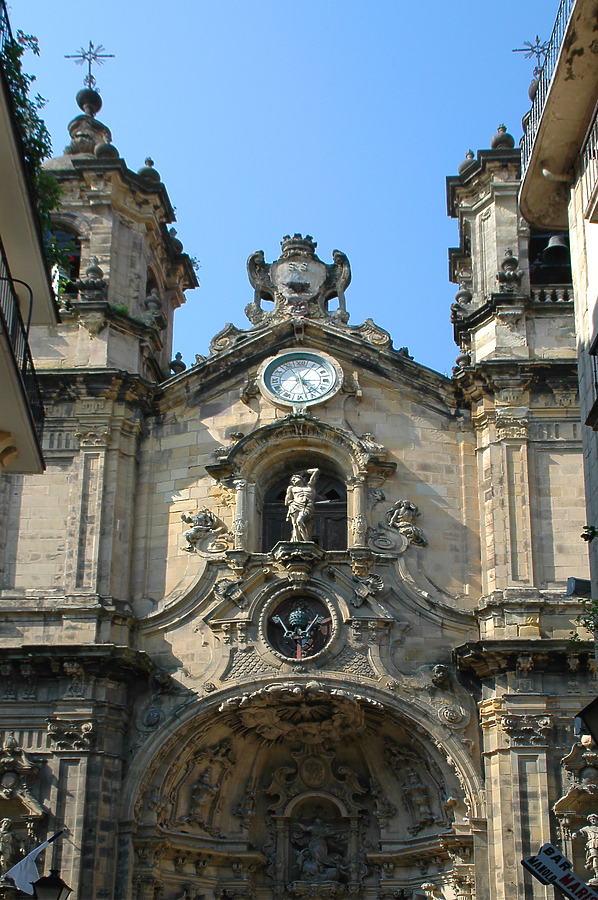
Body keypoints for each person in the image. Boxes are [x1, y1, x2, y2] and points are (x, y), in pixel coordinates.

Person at [285, 469, 319, 542]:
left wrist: (305, 472)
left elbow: (317, 471)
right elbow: (287, 501)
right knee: (295, 526)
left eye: (295, 478)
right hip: (295, 506)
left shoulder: (310, 486)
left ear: (301, 478)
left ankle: (307, 541)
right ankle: (296, 541)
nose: (293, 481)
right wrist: (290, 502)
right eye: (292, 480)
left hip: (307, 506)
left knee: (299, 521)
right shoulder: (291, 488)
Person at [574, 814, 598, 882]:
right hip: (592, 844)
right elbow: (580, 832)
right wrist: (575, 834)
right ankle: (597, 874)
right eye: (591, 819)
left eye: (594, 819)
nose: (593, 820)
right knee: (595, 858)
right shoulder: (588, 828)